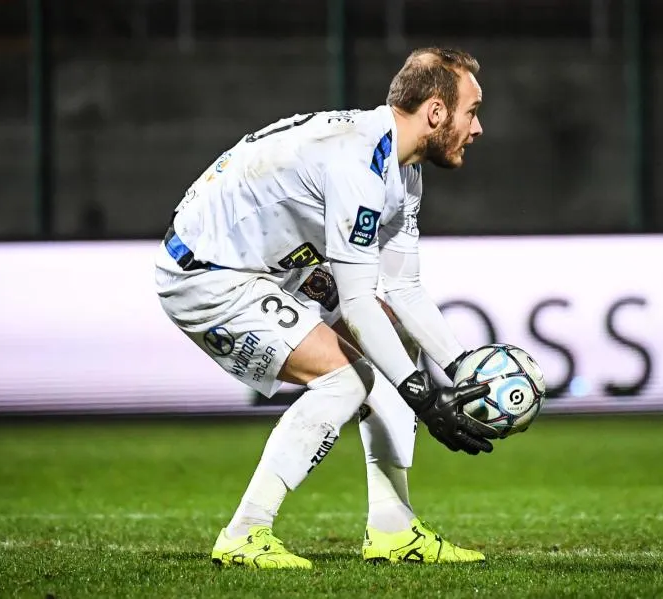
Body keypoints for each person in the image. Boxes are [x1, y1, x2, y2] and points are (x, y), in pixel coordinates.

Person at [155, 47, 497, 569]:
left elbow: (402, 289)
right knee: (347, 379)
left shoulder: (401, 167)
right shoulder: (359, 165)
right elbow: (358, 302)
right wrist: (427, 401)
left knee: (394, 339)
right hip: (209, 273)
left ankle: (392, 529)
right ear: (435, 112)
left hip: (270, 265)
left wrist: (462, 368)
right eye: (471, 111)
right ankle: (245, 532)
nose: (477, 128)